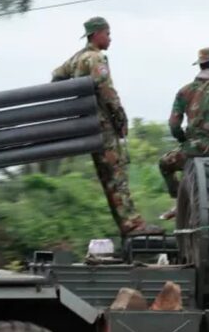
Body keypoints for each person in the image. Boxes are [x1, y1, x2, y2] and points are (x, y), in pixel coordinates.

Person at [51, 16, 157, 237]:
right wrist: (120, 118)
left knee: (107, 177)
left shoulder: (76, 59)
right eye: (107, 34)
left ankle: (127, 225)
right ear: (97, 34)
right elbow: (106, 91)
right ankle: (133, 225)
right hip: (103, 126)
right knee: (117, 176)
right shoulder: (96, 58)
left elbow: (56, 76)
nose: (110, 38)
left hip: (87, 125)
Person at [158, 47, 209, 219]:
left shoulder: (184, 91)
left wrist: (184, 140)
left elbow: (174, 125)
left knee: (164, 164)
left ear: (201, 65)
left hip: (191, 151)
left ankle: (179, 200)